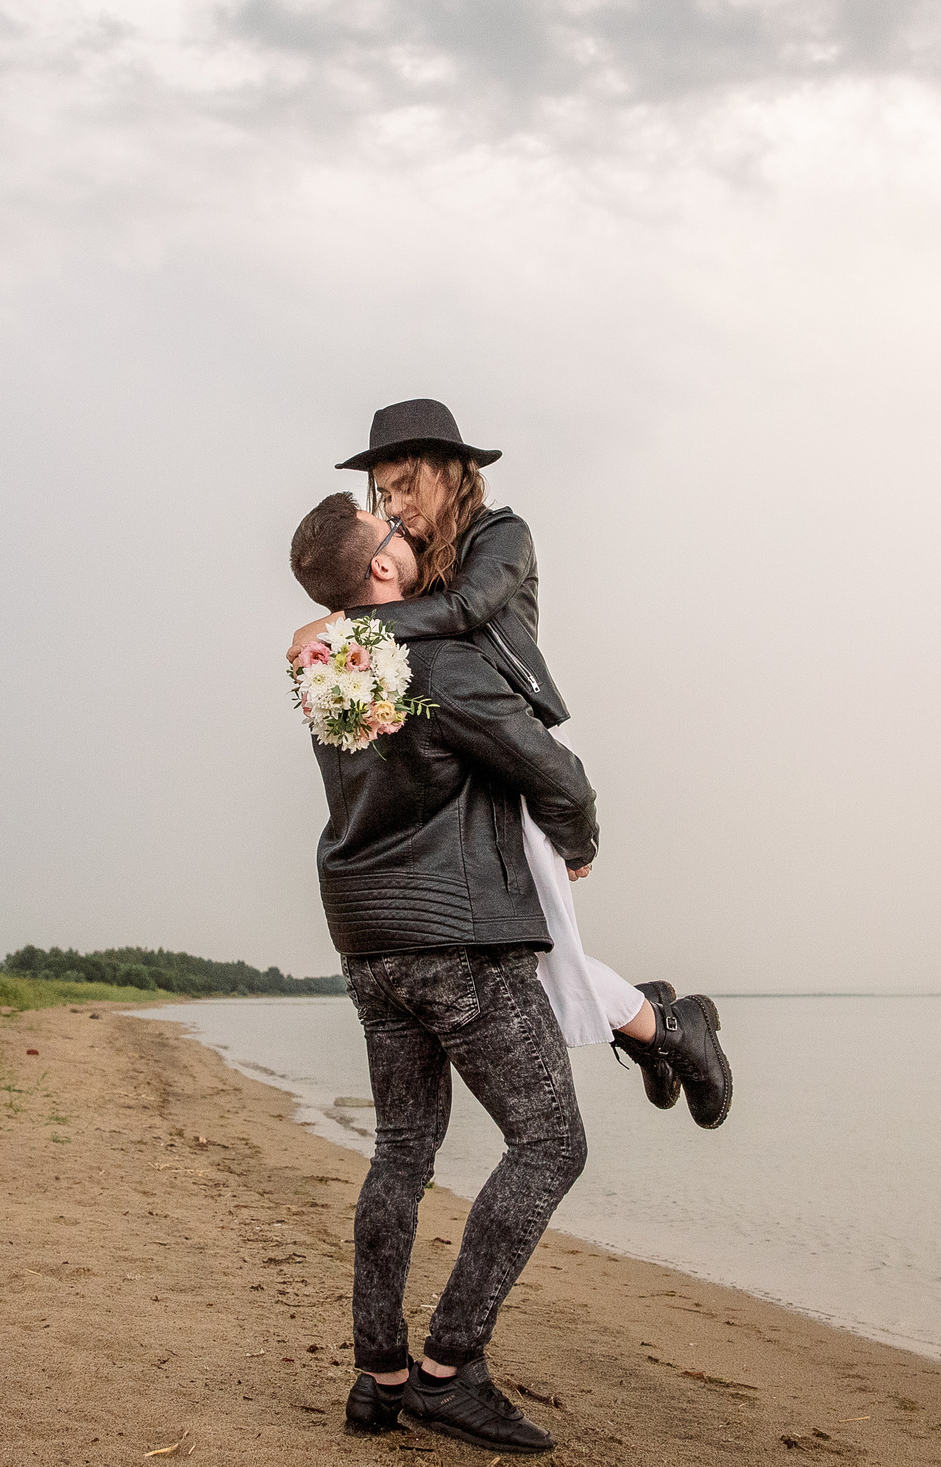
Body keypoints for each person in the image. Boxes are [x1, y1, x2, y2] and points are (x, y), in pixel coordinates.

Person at [293, 398, 732, 1129]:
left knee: (538, 973)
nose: (396, 506)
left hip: (514, 756)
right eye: (386, 494)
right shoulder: (417, 561)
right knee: (531, 973)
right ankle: (662, 1023)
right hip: (474, 769)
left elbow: (464, 612)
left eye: (405, 485)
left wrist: (342, 627)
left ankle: (675, 1030)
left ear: (449, 472)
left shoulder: (502, 536)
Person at [287, 491, 594, 1452]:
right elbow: (547, 764)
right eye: (393, 534)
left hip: (368, 945)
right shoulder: (433, 657)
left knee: (402, 1152)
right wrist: (577, 833)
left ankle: (377, 1373)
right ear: (380, 569)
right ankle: (449, 1369)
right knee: (550, 1142)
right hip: (453, 938)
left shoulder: (332, 670)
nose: (409, 534)